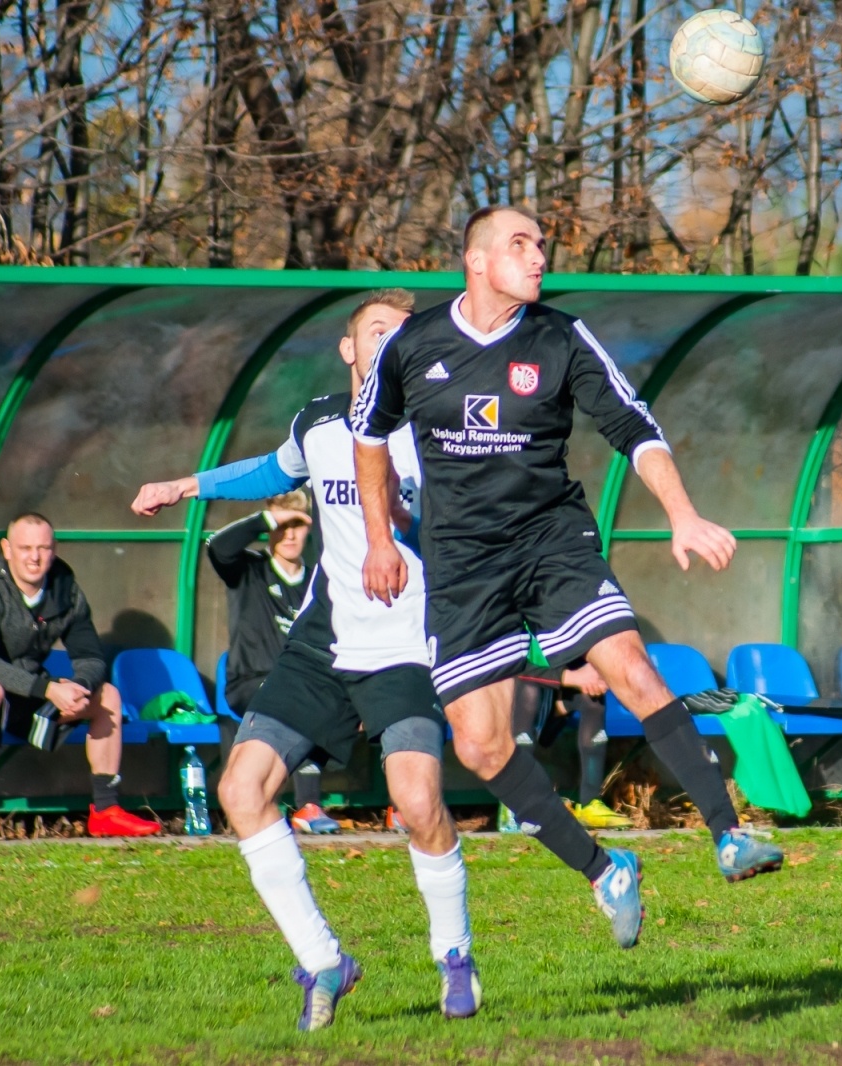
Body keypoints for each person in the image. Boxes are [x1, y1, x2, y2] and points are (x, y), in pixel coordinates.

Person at [351, 205, 783, 952]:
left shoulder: (559, 336)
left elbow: (635, 428)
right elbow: (368, 436)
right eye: (521, 244)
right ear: (477, 261)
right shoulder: (414, 345)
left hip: (552, 539)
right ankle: (604, 871)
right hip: (461, 564)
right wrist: (380, 541)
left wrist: (682, 513)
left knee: (630, 667)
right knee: (480, 747)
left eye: (543, 244)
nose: (539, 256)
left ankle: (727, 833)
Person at [130, 290, 480, 1027]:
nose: (388, 342)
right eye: (374, 332)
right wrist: (185, 486)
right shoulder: (320, 423)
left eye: (402, 334)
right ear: (349, 351)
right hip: (324, 641)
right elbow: (272, 470)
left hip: (405, 644)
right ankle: (324, 960)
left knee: (418, 805)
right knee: (241, 790)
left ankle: (454, 956)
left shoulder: (438, 429)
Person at [0, 513, 162, 841]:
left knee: (107, 695)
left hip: (24, 691)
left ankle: (106, 810)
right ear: (7, 549)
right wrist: (48, 688)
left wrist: (79, 687)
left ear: (54, 550)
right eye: (25, 548)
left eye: (43, 548)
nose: (34, 557)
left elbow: (91, 657)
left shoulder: (68, 593)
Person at [207, 492, 339, 834]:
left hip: (300, 682)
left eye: (298, 524)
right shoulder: (249, 570)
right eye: (283, 525)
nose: (290, 534)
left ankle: (402, 808)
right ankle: (307, 806)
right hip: (248, 682)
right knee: (298, 698)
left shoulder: (318, 581)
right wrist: (268, 518)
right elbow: (218, 547)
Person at [509, 657, 631, 829]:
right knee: (528, 690)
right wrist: (571, 677)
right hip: (509, 689)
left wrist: (592, 672)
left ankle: (590, 804)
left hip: (554, 682)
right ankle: (515, 807)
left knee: (593, 700)